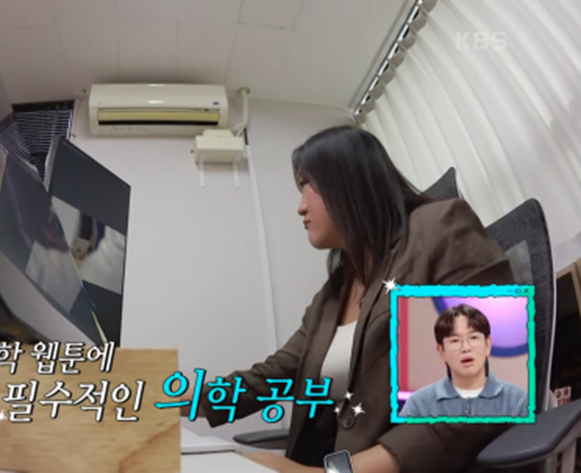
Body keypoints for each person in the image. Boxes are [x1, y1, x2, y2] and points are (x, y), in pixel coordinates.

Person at [180, 125, 518, 473]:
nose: (300, 207)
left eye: (306, 186)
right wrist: (175, 399)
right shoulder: (334, 294)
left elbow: (481, 386)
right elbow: (271, 378)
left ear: (348, 181)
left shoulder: (437, 230)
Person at [399, 304, 529, 418]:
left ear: (488, 345)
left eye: (473, 338)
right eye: (455, 340)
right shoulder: (419, 404)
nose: (466, 348)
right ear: (441, 351)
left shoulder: (518, 400)